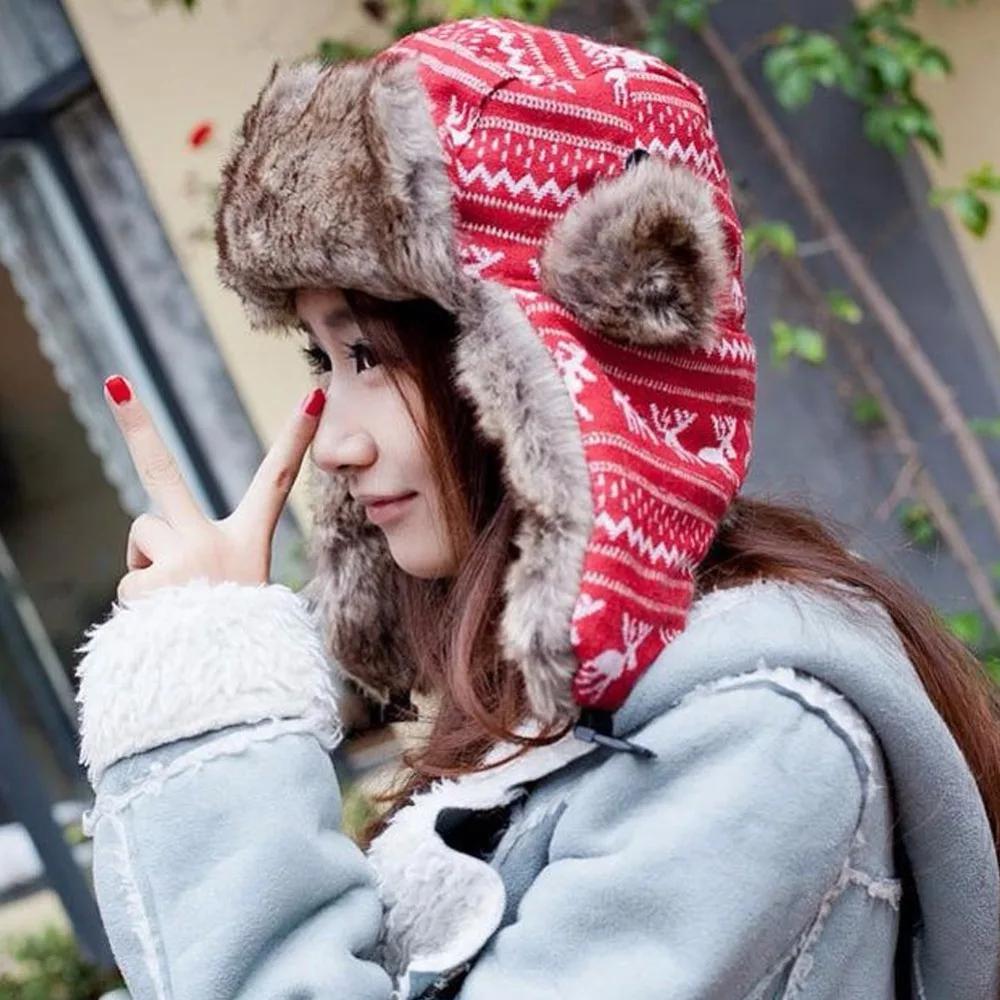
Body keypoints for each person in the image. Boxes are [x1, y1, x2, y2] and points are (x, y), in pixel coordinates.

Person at [74, 17, 999, 1000]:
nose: (335, 443)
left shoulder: (753, 735)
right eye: (322, 359)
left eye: (370, 354)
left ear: (549, 362)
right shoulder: (562, 718)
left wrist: (207, 716)